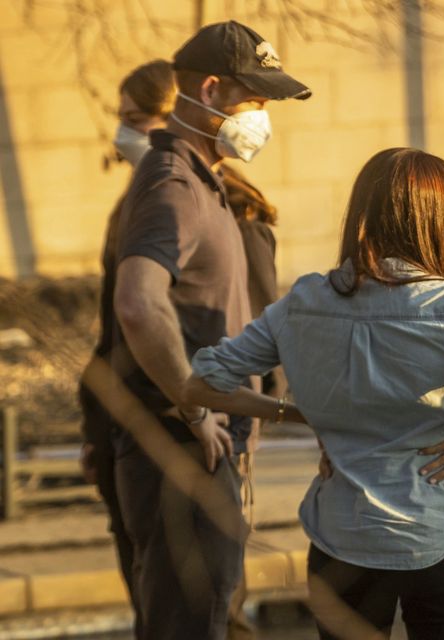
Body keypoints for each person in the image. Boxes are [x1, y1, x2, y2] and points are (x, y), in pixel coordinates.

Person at [183, 147, 444, 640]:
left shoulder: (306, 300)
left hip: (342, 536)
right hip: (438, 530)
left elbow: (202, 385)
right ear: (439, 224)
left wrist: (302, 415)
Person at [106, 21, 310, 639]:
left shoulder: (202, 181)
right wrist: (193, 403)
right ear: (212, 92)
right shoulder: (174, 185)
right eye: (255, 100)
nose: (264, 116)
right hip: (182, 453)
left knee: (209, 613)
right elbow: (138, 303)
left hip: (208, 447)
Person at [78, 59, 174, 639]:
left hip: (168, 427)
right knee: (150, 601)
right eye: (122, 120)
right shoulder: (131, 202)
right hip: (120, 421)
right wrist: (95, 430)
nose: (124, 134)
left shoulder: (203, 203)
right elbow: (110, 329)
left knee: (187, 605)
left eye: (136, 119)